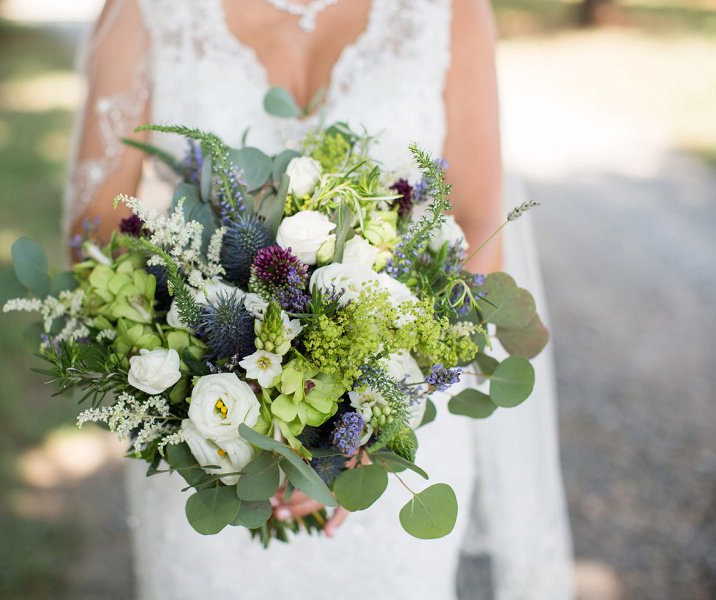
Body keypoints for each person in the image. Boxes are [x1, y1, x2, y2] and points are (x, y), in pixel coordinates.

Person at [63, 1, 573, 598]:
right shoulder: (151, 10)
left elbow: (479, 221)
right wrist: (229, 423)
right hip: (211, 441)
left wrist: (368, 428)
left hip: (388, 438)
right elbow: (95, 227)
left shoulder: (450, 11)